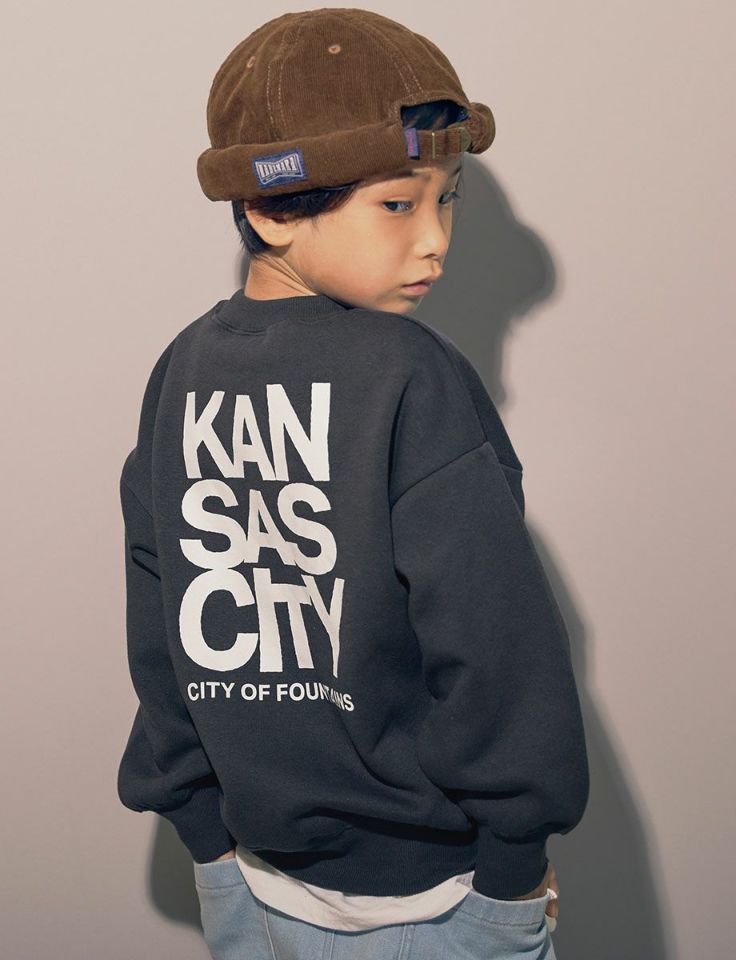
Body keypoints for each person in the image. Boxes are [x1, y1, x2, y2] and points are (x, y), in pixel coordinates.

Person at [116, 8, 589, 959]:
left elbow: (159, 612)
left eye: (447, 199)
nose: (436, 240)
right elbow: (496, 643)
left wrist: (201, 831)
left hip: (245, 877)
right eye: (398, 205)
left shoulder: (183, 370)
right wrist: (514, 865)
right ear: (270, 208)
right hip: (440, 904)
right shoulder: (413, 376)